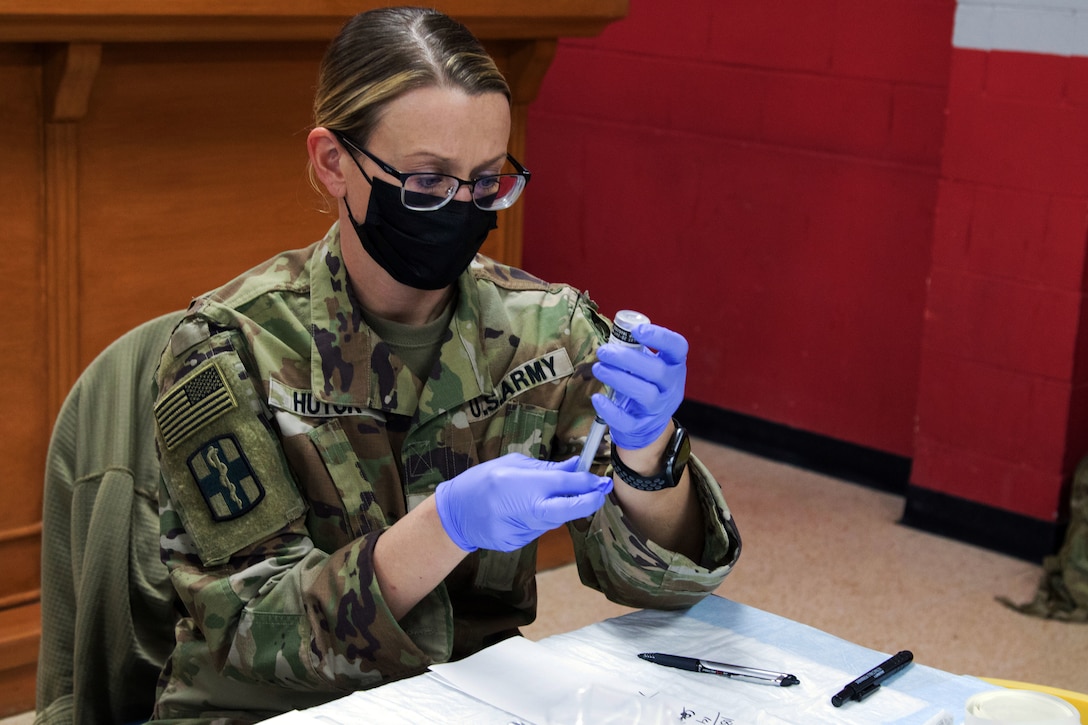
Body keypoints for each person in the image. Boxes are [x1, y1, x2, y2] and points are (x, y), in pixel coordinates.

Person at [150, 6, 740, 721]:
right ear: (333, 161)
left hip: (470, 701)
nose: (462, 207)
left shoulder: (546, 330)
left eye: (486, 180)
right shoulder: (230, 347)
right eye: (427, 181)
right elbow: (250, 631)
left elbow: (662, 588)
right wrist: (447, 525)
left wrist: (650, 456)